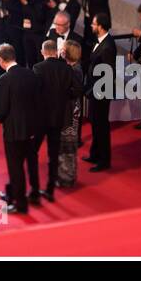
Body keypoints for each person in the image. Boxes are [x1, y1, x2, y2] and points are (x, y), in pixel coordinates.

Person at [0, 43, 41, 214]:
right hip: (31, 129)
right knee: (30, 163)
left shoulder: (3, 80)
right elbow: (38, 101)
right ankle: (29, 193)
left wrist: (0, 118)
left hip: (13, 131)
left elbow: (2, 110)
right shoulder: (31, 74)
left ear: (1, 59)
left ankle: (20, 204)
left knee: (16, 168)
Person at [31, 38, 73, 201]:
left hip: (41, 118)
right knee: (53, 154)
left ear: (43, 52)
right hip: (58, 117)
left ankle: (34, 188)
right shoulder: (66, 69)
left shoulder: (38, 68)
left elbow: (34, 94)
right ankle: (50, 188)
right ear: (56, 52)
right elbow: (74, 90)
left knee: (32, 150)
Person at [83, 13, 117, 171]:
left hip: (101, 93)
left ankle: (104, 160)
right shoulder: (101, 42)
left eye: (94, 24)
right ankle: (95, 154)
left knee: (101, 126)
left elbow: (108, 73)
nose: (91, 26)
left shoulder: (108, 46)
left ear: (101, 26)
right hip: (95, 90)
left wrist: (93, 91)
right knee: (95, 124)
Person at [56, 40, 86, 188]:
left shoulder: (75, 70)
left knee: (68, 145)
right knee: (66, 145)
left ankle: (67, 177)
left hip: (70, 111)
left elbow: (75, 90)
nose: (60, 51)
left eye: (63, 50)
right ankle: (65, 175)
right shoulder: (72, 68)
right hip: (70, 110)